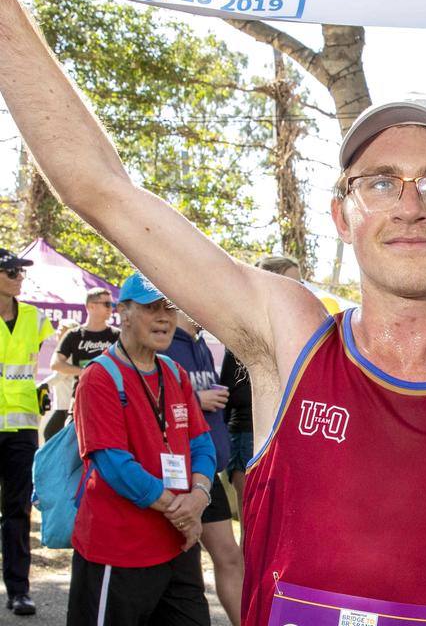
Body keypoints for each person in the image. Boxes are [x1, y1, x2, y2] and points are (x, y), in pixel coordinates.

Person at [0, 0, 426, 626]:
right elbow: (98, 188)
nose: (408, 206)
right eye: (378, 182)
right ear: (342, 216)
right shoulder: (291, 336)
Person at [69, 273, 215, 625]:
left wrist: (198, 498)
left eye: (169, 308)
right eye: (151, 308)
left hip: (177, 544)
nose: (164, 317)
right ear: (124, 312)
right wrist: (179, 510)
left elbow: (202, 444)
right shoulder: (99, 377)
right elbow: (114, 465)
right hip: (119, 549)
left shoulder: (175, 373)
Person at [163, 313, 242, 625]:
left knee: (230, 557)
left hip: (207, 474)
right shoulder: (164, 341)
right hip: (172, 476)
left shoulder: (202, 345)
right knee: (182, 566)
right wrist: (198, 399)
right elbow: (152, 401)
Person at [219, 255, 301, 519]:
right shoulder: (247, 329)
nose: (300, 290)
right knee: (254, 523)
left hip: (284, 439)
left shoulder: (293, 331)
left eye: (302, 284)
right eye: (293, 283)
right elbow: (234, 393)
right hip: (248, 437)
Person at [0, 246, 52, 616]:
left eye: (20, 272)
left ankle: (19, 591)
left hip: (21, 428)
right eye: (13, 272)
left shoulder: (35, 317)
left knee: (16, 511)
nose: (20, 277)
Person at [50, 287, 120, 438]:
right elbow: (56, 364)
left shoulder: (117, 335)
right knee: (70, 446)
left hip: (111, 401)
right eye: (107, 304)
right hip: (80, 400)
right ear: (91, 306)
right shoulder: (74, 335)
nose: (111, 309)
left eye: (112, 305)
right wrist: (85, 372)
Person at [40, 319, 79, 440]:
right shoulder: (61, 352)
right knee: (53, 436)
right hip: (62, 405)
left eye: (61, 329)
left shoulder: (70, 353)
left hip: (68, 405)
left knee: (50, 434)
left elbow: (59, 375)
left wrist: (40, 386)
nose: (58, 332)